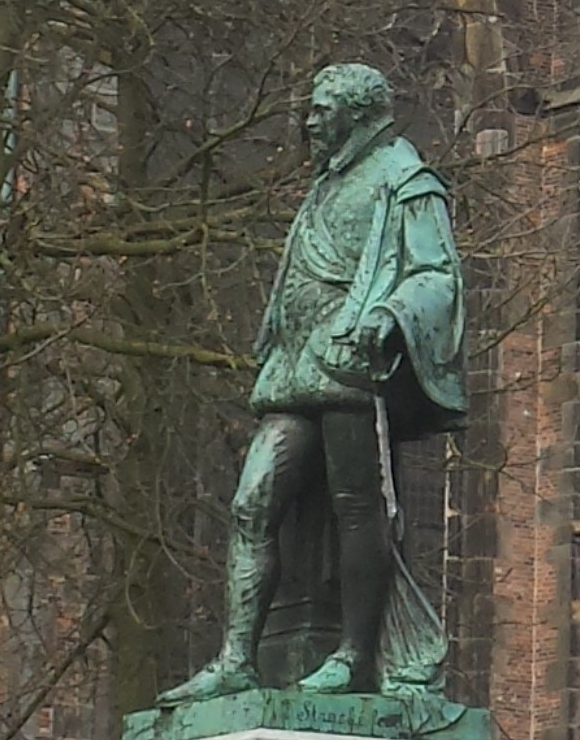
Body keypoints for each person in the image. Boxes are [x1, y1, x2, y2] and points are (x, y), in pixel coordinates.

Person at [171, 61, 466, 701]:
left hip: (349, 365)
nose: (307, 123)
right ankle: (237, 659)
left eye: (320, 111)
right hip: (294, 366)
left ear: (356, 115)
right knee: (252, 504)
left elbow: (436, 274)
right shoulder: (327, 185)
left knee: (357, 508)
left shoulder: (404, 178)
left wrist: (390, 316)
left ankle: (355, 656)